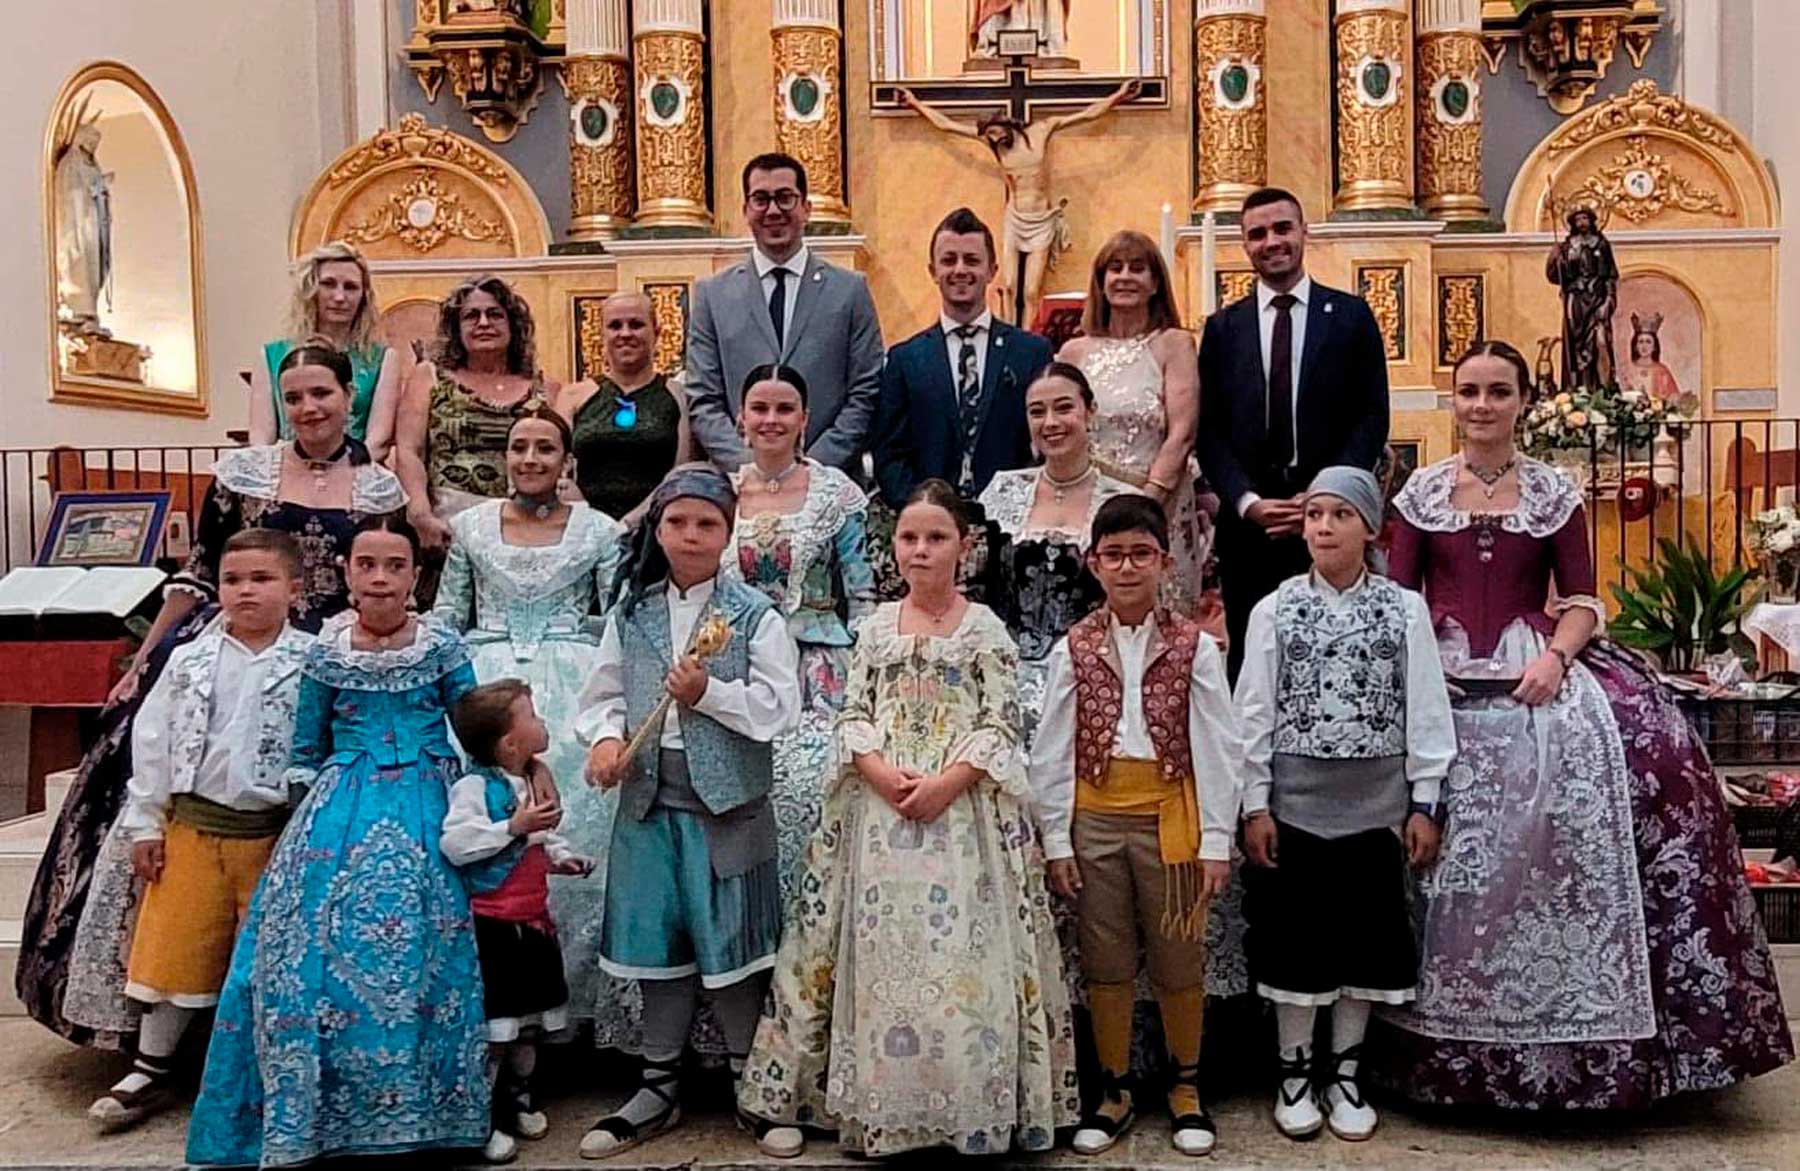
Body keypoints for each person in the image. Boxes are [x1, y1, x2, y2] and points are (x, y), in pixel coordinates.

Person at [1374, 341, 1794, 1109]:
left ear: (1522, 402)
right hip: (1440, 670)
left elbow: (1583, 600)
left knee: (1661, 752)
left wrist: (1556, 659)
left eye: (1498, 391)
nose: (1481, 405)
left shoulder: (1553, 491)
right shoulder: (1421, 493)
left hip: (1538, 661)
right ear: (1455, 400)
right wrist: (1423, 672)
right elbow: (1399, 601)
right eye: (1469, 391)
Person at [23, 339, 405, 1047]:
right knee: (143, 763)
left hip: (327, 655)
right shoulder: (243, 475)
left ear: (349, 397)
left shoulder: (381, 487)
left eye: (321, 393)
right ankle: (161, 1014)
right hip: (231, 637)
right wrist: (145, 657)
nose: (308, 408)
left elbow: (386, 581)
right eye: (293, 397)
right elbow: (201, 571)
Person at [738, 480, 1080, 1159]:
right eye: (909, 537)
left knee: (961, 958)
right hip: (881, 816)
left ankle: (965, 1101)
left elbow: (1000, 722)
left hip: (964, 819)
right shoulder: (873, 629)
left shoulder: (985, 630)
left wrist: (948, 781)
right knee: (883, 958)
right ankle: (887, 1107)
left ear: (965, 546)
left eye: (936, 537)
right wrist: (877, 769)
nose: (921, 549)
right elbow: (853, 712)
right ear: (892, 547)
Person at [185, 515, 489, 1166]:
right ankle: (316, 1117)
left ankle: (438, 1114)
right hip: (341, 801)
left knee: (430, 943)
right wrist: (301, 828)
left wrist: (495, 789)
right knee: (304, 946)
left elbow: (477, 727)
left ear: (415, 576)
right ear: (346, 574)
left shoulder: (439, 644)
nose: (380, 578)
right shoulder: (326, 651)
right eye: (366, 565)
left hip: (428, 794)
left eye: (395, 565)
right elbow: (306, 745)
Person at [576, 465, 800, 1159]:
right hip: (649, 802)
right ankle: (658, 1086)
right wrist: (607, 740)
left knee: (733, 948)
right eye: (678, 521)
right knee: (659, 947)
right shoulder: (633, 613)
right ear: (659, 528)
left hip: (725, 807)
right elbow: (603, 694)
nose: (691, 534)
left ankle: (752, 1084)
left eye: (707, 523)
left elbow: (779, 708)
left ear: (728, 533)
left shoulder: (754, 615)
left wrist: (709, 694)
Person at [1235, 465, 1454, 1143]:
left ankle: (1347, 1075)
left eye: (1340, 515)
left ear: (1371, 529)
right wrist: (1255, 804)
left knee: (1364, 941)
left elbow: (1425, 707)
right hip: (1296, 809)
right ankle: (1295, 1073)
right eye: (1314, 515)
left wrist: (1424, 802)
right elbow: (1253, 713)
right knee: (1298, 940)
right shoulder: (1274, 610)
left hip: (1375, 812)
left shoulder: (1403, 610)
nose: (1324, 527)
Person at [1030, 494, 1245, 1158]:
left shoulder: (1193, 646)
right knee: (1106, 956)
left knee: (1179, 953)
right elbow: (1051, 748)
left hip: (1169, 815)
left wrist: (1216, 838)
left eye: (1140, 554)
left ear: (1163, 562)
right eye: (1114, 555)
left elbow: (1219, 744)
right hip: (1095, 817)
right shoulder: (1073, 647)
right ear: (1094, 563)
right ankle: (1115, 1088)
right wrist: (1057, 840)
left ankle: (1186, 1085)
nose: (1127, 567)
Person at [81, 531, 313, 1132]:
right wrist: (145, 824)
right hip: (193, 830)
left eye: (261, 579)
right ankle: (151, 1067)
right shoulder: (189, 660)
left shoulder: (313, 662)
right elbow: (152, 740)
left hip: (274, 837)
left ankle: (269, 1073)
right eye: (233, 580)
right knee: (176, 948)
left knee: (273, 957)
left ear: (294, 589)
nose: (245, 591)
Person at [432, 408, 627, 1043]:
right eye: (519, 447)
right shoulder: (471, 527)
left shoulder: (599, 529)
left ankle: (571, 1009)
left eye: (545, 448)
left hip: (569, 684)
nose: (530, 459)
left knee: (579, 823)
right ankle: (493, 1009)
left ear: (567, 461)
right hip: (489, 686)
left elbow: (617, 616)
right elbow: (448, 615)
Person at [1196, 188, 1389, 681]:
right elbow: (1210, 431)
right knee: (1252, 661)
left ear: (1305, 232)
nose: (1271, 242)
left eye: (1282, 228)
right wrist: (1247, 502)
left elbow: (1371, 417)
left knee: (1338, 656)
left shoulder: (1350, 317)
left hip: (1330, 520)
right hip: (1251, 527)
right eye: (1257, 234)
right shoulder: (1223, 329)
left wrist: (1325, 495)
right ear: (1245, 244)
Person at [720, 365, 875, 908]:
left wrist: (869, 672)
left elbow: (863, 591)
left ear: (805, 419)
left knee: (813, 784)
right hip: (738, 663)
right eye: (759, 408)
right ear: (741, 418)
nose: (771, 420)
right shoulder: (721, 492)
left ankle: (815, 917)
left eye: (784, 409)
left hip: (818, 664)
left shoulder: (836, 493)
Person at [443, 680, 595, 1165]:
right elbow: (457, 844)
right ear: (509, 743)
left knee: (530, 1024)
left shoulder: (530, 781)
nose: (542, 721)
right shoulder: (474, 789)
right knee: (497, 1029)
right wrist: (512, 827)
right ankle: (481, 1117)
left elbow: (541, 840)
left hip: (533, 923)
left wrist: (562, 856)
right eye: (532, 715)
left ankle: (520, 1096)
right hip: (495, 929)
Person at [685, 153, 884, 475]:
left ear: (806, 208)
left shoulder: (850, 290)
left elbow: (866, 390)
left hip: (828, 479)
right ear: (746, 210)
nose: (773, 210)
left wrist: (812, 468)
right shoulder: (712, 295)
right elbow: (703, 398)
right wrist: (751, 466)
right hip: (741, 484)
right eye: (761, 199)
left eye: (785, 197)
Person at [978, 363, 1133, 737]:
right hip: (1001, 676)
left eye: (1064, 408)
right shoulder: (1002, 492)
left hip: (1093, 677)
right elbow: (974, 589)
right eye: (1037, 412)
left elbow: (1135, 607)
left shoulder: (1123, 502)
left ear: (1090, 412)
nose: (1050, 422)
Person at [1058, 231, 1203, 613]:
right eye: (1115, 268)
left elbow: (1182, 433)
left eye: (1137, 268)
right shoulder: (1073, 352)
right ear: (1101, 282)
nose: (1125, 276)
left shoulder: (1173, 344)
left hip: (1159, 505)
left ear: (1155, 283)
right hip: (1087, 509)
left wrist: (1145, 508)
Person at [872, 207, 1052, 508]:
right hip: (930, 520)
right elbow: (889, 453)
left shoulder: (1031, 352)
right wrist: (921, 509)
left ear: (992, 270)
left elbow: (1045, 441)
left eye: (971, 260)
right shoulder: (906, 360)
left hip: (1013, 518)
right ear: (933, 271)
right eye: (948, 260)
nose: (960, 270)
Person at [396, 273, 556, 554]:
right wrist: (420, 513)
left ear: (513, 325)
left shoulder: (543, 390)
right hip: (448, 526)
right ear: (456, 329)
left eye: (495, 314)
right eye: (471, 316)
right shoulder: (429, 378)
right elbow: (410, 450)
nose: (484, 323)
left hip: (525, 528)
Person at [249, 241, 401, 460]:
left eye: (350, 287)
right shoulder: (271, 356)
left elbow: (379, 439)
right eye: (328, 284)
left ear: (363, 296)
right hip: (287, 471)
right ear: (311, 290)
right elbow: (261, 437)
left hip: (356, 469)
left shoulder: (382, 359)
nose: (339, 297)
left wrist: (339, 472)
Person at [557, 290, 693, 528]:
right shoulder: (572, 397)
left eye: (636, 324)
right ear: (601, 334)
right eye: (615, 326)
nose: (626, 333)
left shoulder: (679, 396)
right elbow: (557, 467)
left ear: (657, 332)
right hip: (582, 525)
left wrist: (631, 523)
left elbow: (679, 474)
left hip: (655, 527)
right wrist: (587, 516)